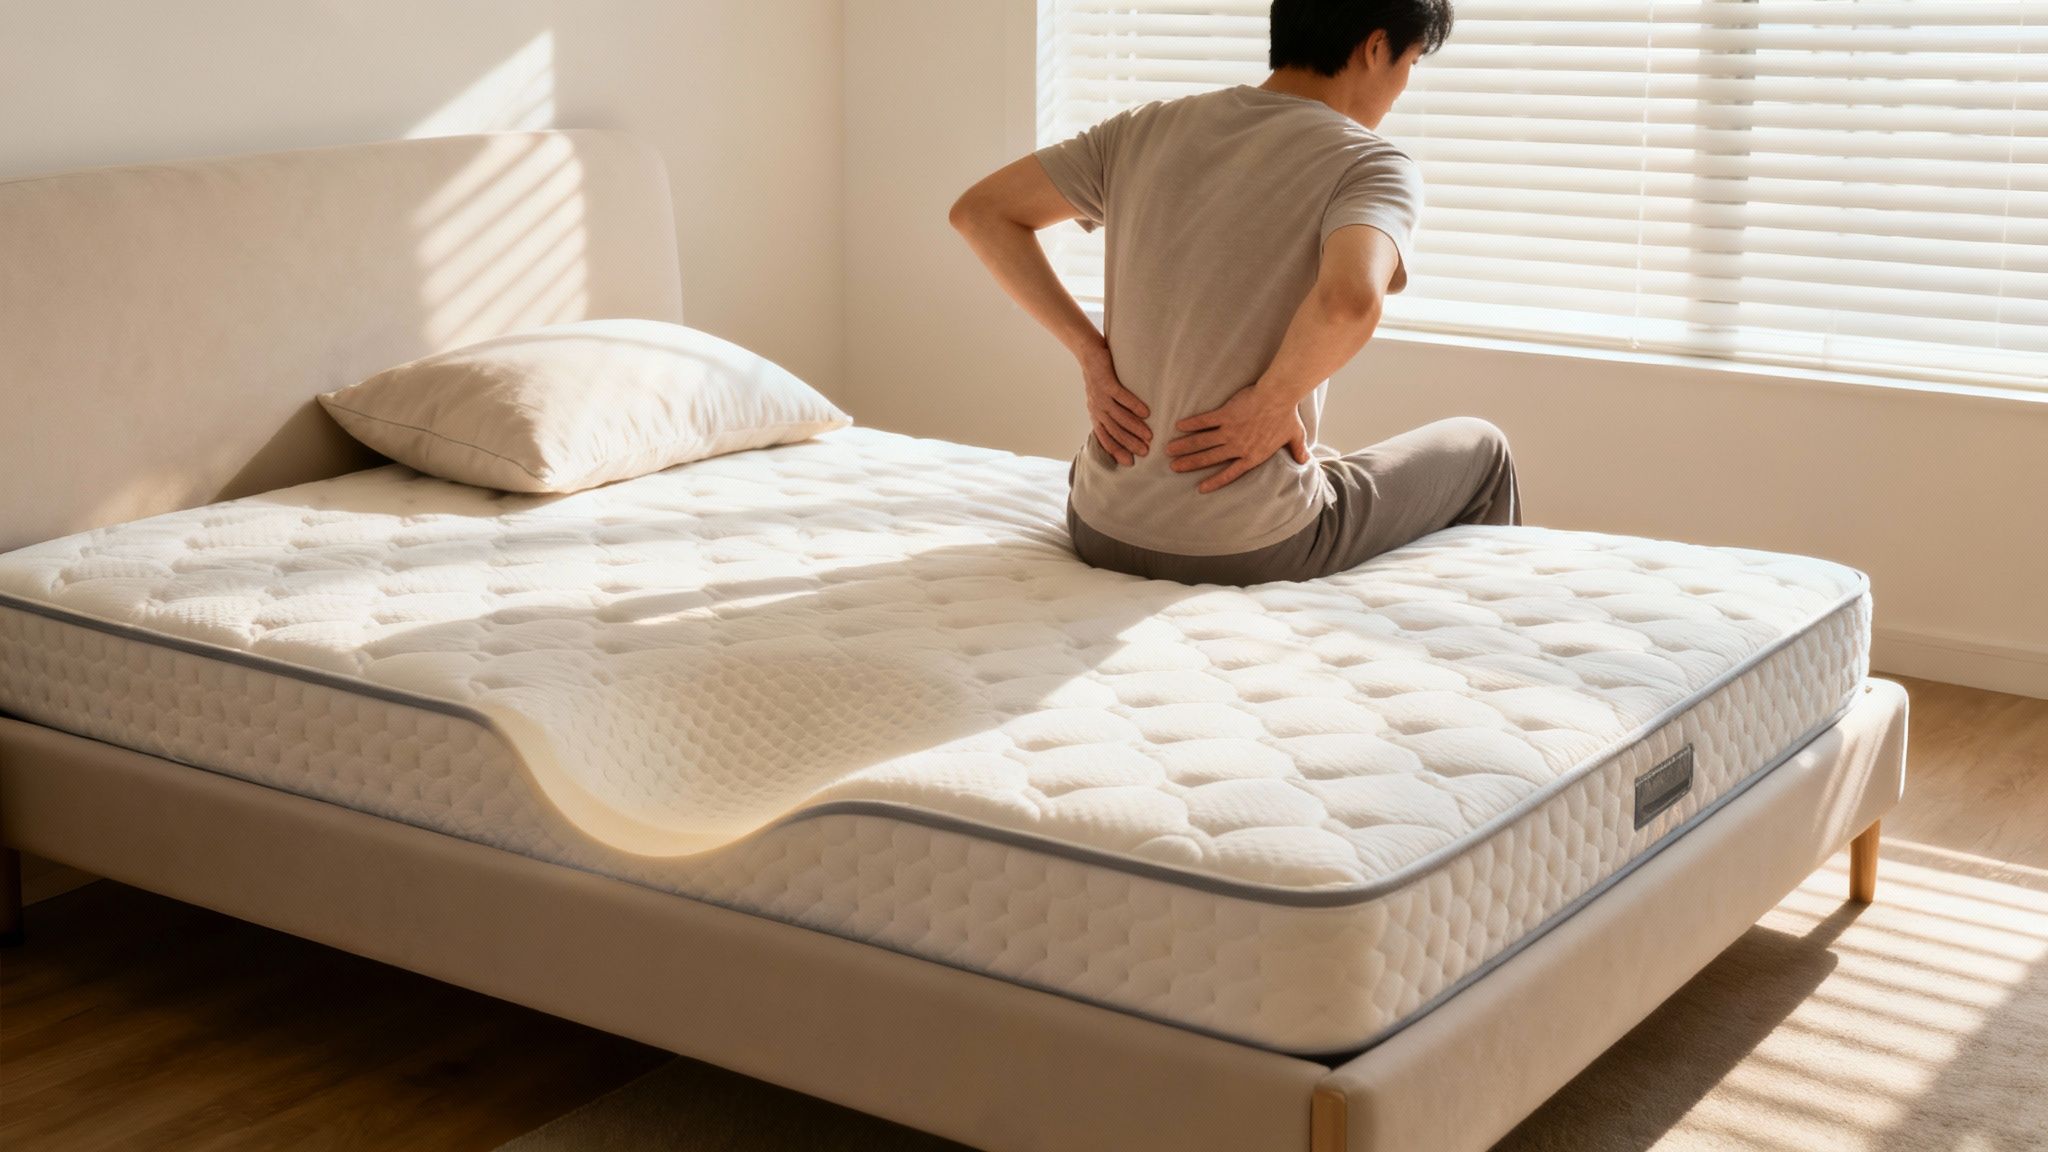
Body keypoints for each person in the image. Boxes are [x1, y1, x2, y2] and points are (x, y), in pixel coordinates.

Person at [949, 0, 1517, 587]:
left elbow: (981, 212)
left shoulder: (1144, 128)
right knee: (1485, 448)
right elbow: (1350, 299)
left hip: (1099, 525)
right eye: (1413, 62)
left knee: (1322, 456)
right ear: (1376, 48)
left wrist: (1090, 355)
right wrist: (1274, 400)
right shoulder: (1369, 163)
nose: (1403, 88)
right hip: (1251, 546)